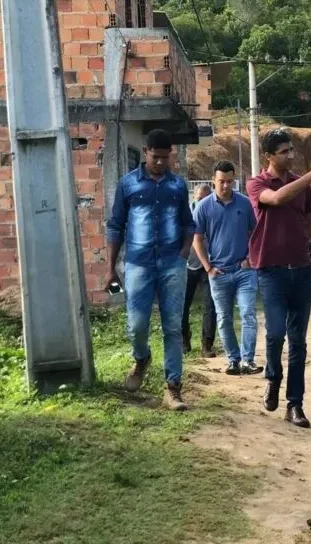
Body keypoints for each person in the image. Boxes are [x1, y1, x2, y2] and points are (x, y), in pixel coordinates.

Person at [247, 128, 311, 428]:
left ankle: (295, 404)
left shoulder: (301, 186)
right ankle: (273, 379)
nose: (290, 155)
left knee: (298, 341)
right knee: (274, 333)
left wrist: (299, 235)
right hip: (270, 270)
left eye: (291, 150)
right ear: (269, 156)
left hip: (300, 268)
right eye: (284, 151)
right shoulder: (257, 183)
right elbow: (278, 199)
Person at [106, 128, 195, 411]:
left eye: (165, 157)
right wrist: (111, 268)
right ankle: (141, 357)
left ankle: (173, 389)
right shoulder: (128, 184)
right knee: (137, 324)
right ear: (145, 153)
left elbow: (188, 223)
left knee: (172, 327)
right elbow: (115, 226)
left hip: (172, 265)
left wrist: (183, 253)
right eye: (155, 157)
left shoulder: (178, 186)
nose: (160, 162)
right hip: (138, 265)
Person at [193, 161, 262, 376]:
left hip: (243, 271)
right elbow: (197, 239)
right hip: (219, 273)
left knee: (249, 313)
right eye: (221, 181)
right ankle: (233, 359)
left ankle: (248, 360)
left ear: (234, 181)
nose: (225, 186)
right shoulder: (204, 206)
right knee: (224, 318)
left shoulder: (244, 204)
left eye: (229, 182)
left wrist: (250, 258)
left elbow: (256, 232)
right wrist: (208, 267)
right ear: (213, 180)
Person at [182, 183, 217, 358]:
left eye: (206, 198)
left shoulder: (215, 214)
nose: (203, 202)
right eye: (199, 199)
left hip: (209, 265)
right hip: (187, 265)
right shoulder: (186, 215)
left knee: (210, 305)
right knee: (182, 305)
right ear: (194, 197)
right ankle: (184, 340)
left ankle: (207, 344)